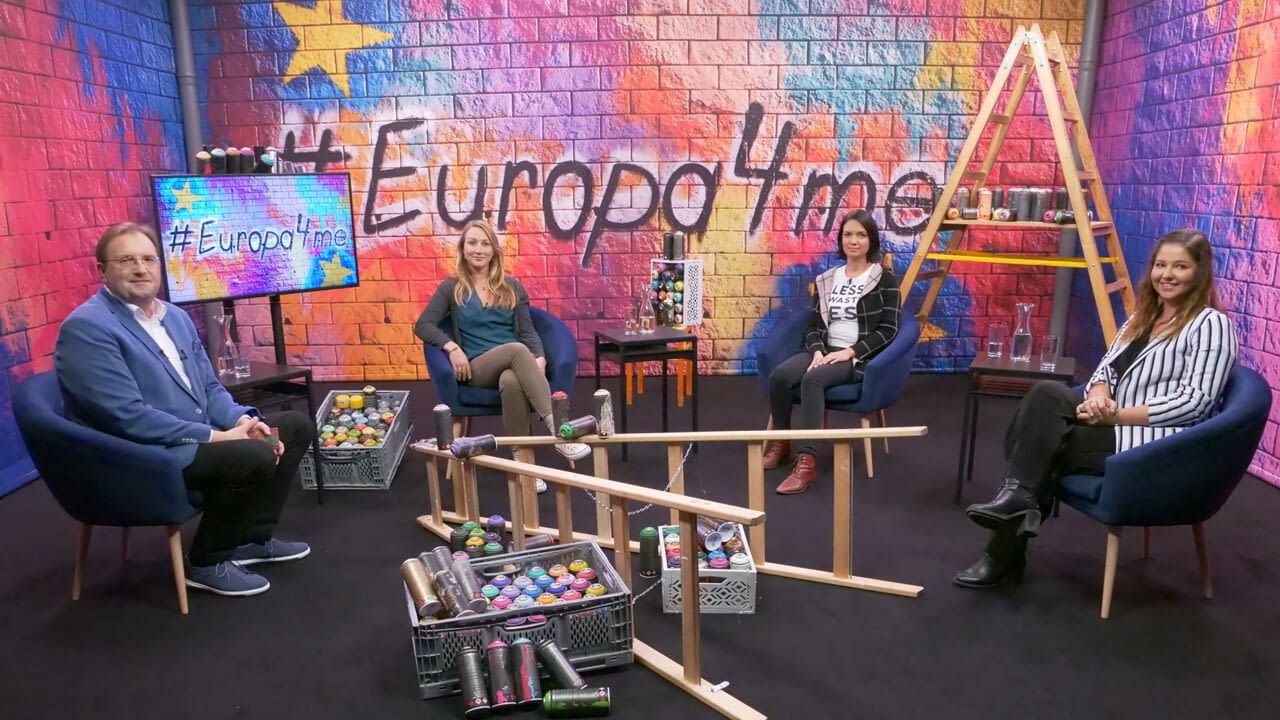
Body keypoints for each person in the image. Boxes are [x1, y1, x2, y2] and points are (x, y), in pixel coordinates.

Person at [955, 228, 1237, 589]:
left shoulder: (1211, 324)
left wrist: (1114, 416)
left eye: (1180, 266)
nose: (1167, 275)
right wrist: (1099, 395)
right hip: (1114, 417)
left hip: (1157, 441)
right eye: (1161, 265)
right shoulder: (1144, 316)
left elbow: (1195, 403)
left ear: (1200, 272)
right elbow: (1106, 369)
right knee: (1045, 395)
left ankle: (1004, 547)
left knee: (1039, 444)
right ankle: (1016, 501)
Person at [55, 223, 314, 598]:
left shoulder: (174, 317)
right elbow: (128, 418)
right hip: (144, 455)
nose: (140, 269)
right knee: (253, 454)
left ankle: (248, 539)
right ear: (102, 270)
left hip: (193, 438)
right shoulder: (87, 328)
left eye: (148, 259)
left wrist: (243, 421)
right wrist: (221, 438)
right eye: (126, 260)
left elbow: (208, 388)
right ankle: (207, 561)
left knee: (293, 427)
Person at [415, 219, 589, 488]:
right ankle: (561, 431)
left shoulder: (512, 287)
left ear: (494, 250)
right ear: (463, 248)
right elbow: (423, 325)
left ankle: (524, 469)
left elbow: (528, 331)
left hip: (513, 363)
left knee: (511, 380)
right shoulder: (452, 287)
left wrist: (539, 357)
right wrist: (452, 347)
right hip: (476, 367)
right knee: (517, 351)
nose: (478, 249)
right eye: (472, 243)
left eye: (485, 244)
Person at [763, 209, 901, 494]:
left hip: (857, 357)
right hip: (824, 351)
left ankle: (807, 462)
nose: (854, 241)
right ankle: (782, 443)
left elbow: (889, 329)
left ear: (871, 240)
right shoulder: (827, 279)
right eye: (848, 234)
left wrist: (850, 351)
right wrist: (816, 352)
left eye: (861, 235)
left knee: (812, 380)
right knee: (780, 377)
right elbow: (813, 325)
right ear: (841, 240)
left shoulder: (884, 279)